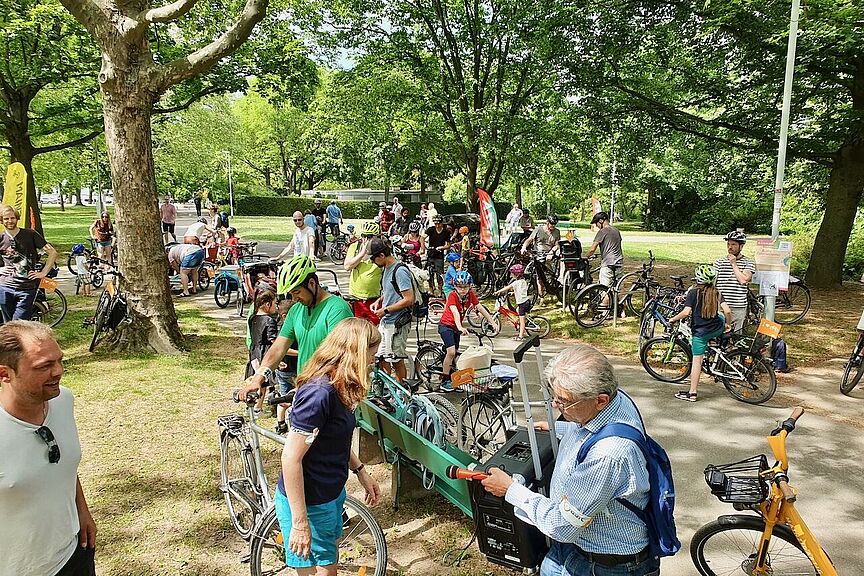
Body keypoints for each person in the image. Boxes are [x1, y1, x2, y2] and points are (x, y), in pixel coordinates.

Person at [481, 345, 660, 576]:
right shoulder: (617, 400)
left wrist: (510, 490)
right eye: (554, 396)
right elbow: (590, 429)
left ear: (600, 400)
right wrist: (560, 427)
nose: (556, 405)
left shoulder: (608, 455)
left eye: (564, 401)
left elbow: (562, 525)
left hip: (605, 564)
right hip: (577, 546)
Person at [274, 318, 381, 573]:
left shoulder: (340, 387)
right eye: (371, 355)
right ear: (354, 353)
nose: (373, 362)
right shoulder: (319, 393)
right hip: (310, 501)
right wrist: (300, 523)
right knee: (323, 569)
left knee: (328, 562)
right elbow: (290, 458)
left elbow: (335, 440)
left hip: (330, 494)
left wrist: (360, 471)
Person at [0, 321, 98, 576]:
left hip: (74, 554)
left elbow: (63, 463)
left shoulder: (62, 400)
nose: (58, 371)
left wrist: (82, 511)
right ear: (4, 374)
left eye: (59, 361)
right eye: (44, 366)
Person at [239, 255, 353, 401]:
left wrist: (309, 384)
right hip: (308, 390)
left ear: (312, 283)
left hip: (331, 394)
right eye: (291, 294)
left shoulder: (337, 309)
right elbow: (278, 347)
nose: (294, 299)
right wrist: (258, 378)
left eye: (297, 292)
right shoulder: (296, 310)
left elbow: (338, 357)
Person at [713, 231, 790, 373]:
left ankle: (734, 366)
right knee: (718, 336)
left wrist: (734, 265)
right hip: (720, 305)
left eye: (734, 245)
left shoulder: (747, 262)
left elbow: (743, 280)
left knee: (735, 337)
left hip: (738, 306)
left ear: (741, 246)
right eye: (728, 244)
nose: (730, 247)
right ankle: (718, 364)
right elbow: (711, 282)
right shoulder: (719, 262)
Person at [668, 265, 733, 402]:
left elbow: (686, 312)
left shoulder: (693, 293)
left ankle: (692, 393)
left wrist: (673, 319)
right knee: (720, 317)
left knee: (697, 361)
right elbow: (727, 311)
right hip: (717, 327)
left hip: (701, 332)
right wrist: (728, 324)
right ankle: (714, 341)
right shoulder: (717, 292)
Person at [437, 271, 496, 389]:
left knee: (456, 352)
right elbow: (455, 312)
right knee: (452, 352)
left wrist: (492, 322)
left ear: (470, 286)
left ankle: (452, 376)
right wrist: (459, 327)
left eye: (465, 287)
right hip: (446, 326)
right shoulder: (452, 296)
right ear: (455, 286)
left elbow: (480, 308)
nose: (462, 290)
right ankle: (444, 381)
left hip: (456, 328)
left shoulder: (470, 295)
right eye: (459, 287)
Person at [369, 238, 416, 382]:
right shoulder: (387, 270)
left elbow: (409, 298)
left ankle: (402, 392)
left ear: (382, 256)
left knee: (396, 358)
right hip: (387, 321)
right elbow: (391, 290)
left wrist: (386, 310)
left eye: (373, 258)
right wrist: (379, 301)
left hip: (398, 322)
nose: (372, 262)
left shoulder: (400, 271)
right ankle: (387, 390)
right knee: (382, 356)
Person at [0, 204, 58, 322]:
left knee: (20, 324)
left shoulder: (30, 234)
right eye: (6, 218)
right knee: (8, 324)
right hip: (5, 287)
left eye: (12, 218)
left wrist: (43, 272)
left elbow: (52, 252)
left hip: (26, 288)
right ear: (1, 220)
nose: (10, 221)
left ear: (17, 218)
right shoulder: (1, 238)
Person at [245, 287, 279, 415]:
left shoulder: (252, 318)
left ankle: (251, 405)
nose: (276, 306)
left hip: (254, 351)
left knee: (254, 379)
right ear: (267, 304)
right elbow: (273, 341)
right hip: (264, 353)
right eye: (275, 303)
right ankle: (258, 408)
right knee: (263, 382)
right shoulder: (269, 320)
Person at [343, 222, 384, 325]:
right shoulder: (355, 247)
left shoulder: (381, 250)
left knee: (375, 332)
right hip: (356, 300)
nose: (366, 239)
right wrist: (361, 254)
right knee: (358, 332)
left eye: (370, 237)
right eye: (364, 236)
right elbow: (347, 266)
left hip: (374, 299)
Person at [274, 299, 299, 435]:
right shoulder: (286, 330)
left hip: (287, 368)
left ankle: (282, 423)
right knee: (286, 398)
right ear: (284, 316)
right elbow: (283, 349)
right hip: (288, 370)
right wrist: (301, 353)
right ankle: (282, 423)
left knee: (285, 397)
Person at [494, 263, 531, 340]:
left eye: (512, 274)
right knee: (518, 311)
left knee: (522, 320)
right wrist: (513, 293)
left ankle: (521, 336)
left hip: (522, 304)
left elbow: (507, 287)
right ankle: (526, 321)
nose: (511, 275)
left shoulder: (516, 282)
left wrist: (498, 292)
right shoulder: (523, 281)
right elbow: (522, 291)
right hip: (526, 301)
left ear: (516, 275)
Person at [425, 216, 449, 296]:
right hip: (431, 254)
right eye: (436, 224)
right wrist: (423, 248)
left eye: (439, 224)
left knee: (439, 274)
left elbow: (448, 245)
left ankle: (440, 290)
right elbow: (422, 237)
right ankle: (431, 290)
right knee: (429, 274)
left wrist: (442, 247)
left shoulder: (445, 232)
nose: (437, 225)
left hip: (439, 256)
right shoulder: (431, 230)